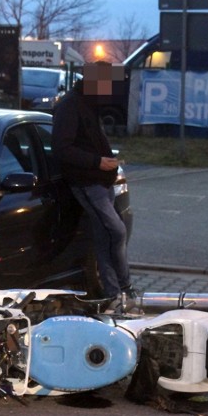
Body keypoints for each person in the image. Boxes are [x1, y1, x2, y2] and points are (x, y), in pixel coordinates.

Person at [51, 61, 136, 312]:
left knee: (103, 237)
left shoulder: (89, 103)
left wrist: (106, 161)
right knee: (116, 231)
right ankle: (125, 287)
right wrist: (98, 162)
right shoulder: (69, 106)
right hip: (87, 182)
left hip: (100, 180)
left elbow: (90, 140)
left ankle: (114, 293)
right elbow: (62, 149)